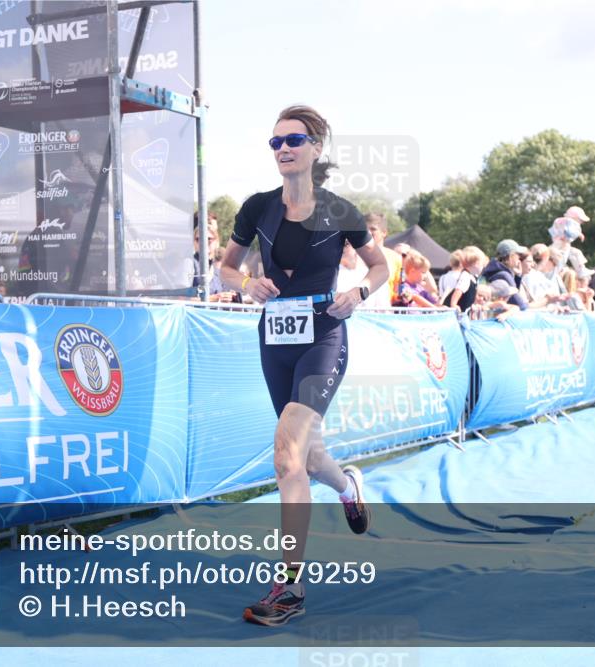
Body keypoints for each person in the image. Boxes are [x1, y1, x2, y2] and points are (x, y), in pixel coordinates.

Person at [219, 105, 389, 627]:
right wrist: (246, 284)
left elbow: (380, 265)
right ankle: (348, 486)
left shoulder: (340, 211)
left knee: (287, 458)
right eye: (275, 143)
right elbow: (225, 269)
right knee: (310, 460)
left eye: (293, 140)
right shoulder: (256, 208)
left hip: (323, 337)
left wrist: (359, 291)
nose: (283, 149)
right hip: (275, 338)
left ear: (315, 148)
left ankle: (289, 588)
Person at [480, 239, 529, 310]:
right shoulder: (505, 275)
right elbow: (521, 306)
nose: (519, 258)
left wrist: (518, 276)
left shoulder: (493, 271)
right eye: (518, 254)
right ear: (511, 256)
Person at [365, 213, 402, 306]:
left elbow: (397, 289)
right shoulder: (353, 255)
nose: (368, 232)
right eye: (365, 229)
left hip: (385, 313)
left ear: (384, 232)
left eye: (373, 229)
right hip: (359, 312)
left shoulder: (395, 258)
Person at [444, 245, 486, 312]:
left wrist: (473, 304)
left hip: (464, 310)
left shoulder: (474, 277)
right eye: (481, 264)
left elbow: (470, 295)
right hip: (456, 312)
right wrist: (454, 304)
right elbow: (458, 291)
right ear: (474, 264)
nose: (483, 267)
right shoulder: (466, 276)